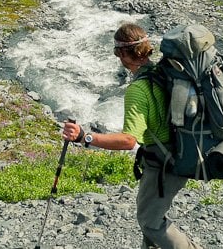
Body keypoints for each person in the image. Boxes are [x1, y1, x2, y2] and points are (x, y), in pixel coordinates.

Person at [61, 23, 202, 249]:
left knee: (150, 221)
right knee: (150, 213)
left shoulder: (138, 90)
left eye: (118, 52)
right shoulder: (164, 71)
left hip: (164, 162)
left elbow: (128, 141)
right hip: (182, 151)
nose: (118, 57)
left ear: (124, 54)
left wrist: (84, 137)